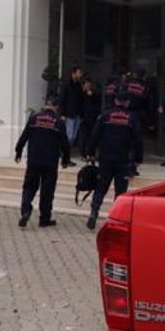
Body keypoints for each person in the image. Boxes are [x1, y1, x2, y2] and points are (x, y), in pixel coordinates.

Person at [84, 93, 142, 230]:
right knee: (120, 192)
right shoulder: (131, 118)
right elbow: (138, 140)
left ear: (115, 100)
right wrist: (138, 159)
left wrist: (90, 152)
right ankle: (116, 219)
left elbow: (95, 135)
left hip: (105, 159)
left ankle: (94, 213)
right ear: (127, 102)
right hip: (123, 160)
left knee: (100, 188)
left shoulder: (105, 116)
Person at [14, 95, 70, 229]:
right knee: (47, 191)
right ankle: (44, 219)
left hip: (34, 160)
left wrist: (18, 151)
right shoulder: (58, 122)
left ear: (45, 104)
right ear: (56, 107)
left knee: (29, 187)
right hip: (50, 162)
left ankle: (25, 211)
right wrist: (65, 160)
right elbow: (65, 143)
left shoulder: (33, 118)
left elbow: (24, 136)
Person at [57, 66, 84, 168]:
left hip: (76, 115)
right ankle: (65, 158)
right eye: (78, 73)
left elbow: (81, 100)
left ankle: (66, 156)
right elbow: (61, 100)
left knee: (72, 138)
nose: (80, 75)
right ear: (73, 73)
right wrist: (62, 114)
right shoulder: (66, 85)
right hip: (68, 115)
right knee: (69, 137)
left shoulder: (78, 86)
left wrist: (81, 114)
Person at [78, 77, 100, 159]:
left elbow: (97, 104)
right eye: (86, 84)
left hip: (93, 117)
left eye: (89, 84)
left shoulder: (95, 94)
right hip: (84, 118)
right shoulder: (81, 94)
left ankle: (91, 154)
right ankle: (83, 154)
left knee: (93, 136)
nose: (88, 85)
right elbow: (78, 105)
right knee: (83, 137)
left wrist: (91, 96)